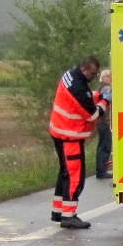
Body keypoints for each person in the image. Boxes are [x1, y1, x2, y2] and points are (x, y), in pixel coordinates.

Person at [49, 55, 106, 229]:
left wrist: (97, 95)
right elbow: (93, 114)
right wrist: (105, 101)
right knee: (75, 176)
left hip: (59, 130)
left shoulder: (71, 75)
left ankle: (58, 211)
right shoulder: (78, 88)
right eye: (93, 74)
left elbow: (85, 98)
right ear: (84, 69)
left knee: (65, 173)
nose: (94, 77)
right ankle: (68, 216)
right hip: (70, 136)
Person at [93, 68, 113, 180]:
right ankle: (101, 172)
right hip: (103, 122)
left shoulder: (101, 88)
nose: (111, 78)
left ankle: (101, 170)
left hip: (101, 121)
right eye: (109, 76)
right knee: (105, 146)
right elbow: (107, 101)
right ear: (104, 77)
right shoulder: (106, 89)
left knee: (102, 146)